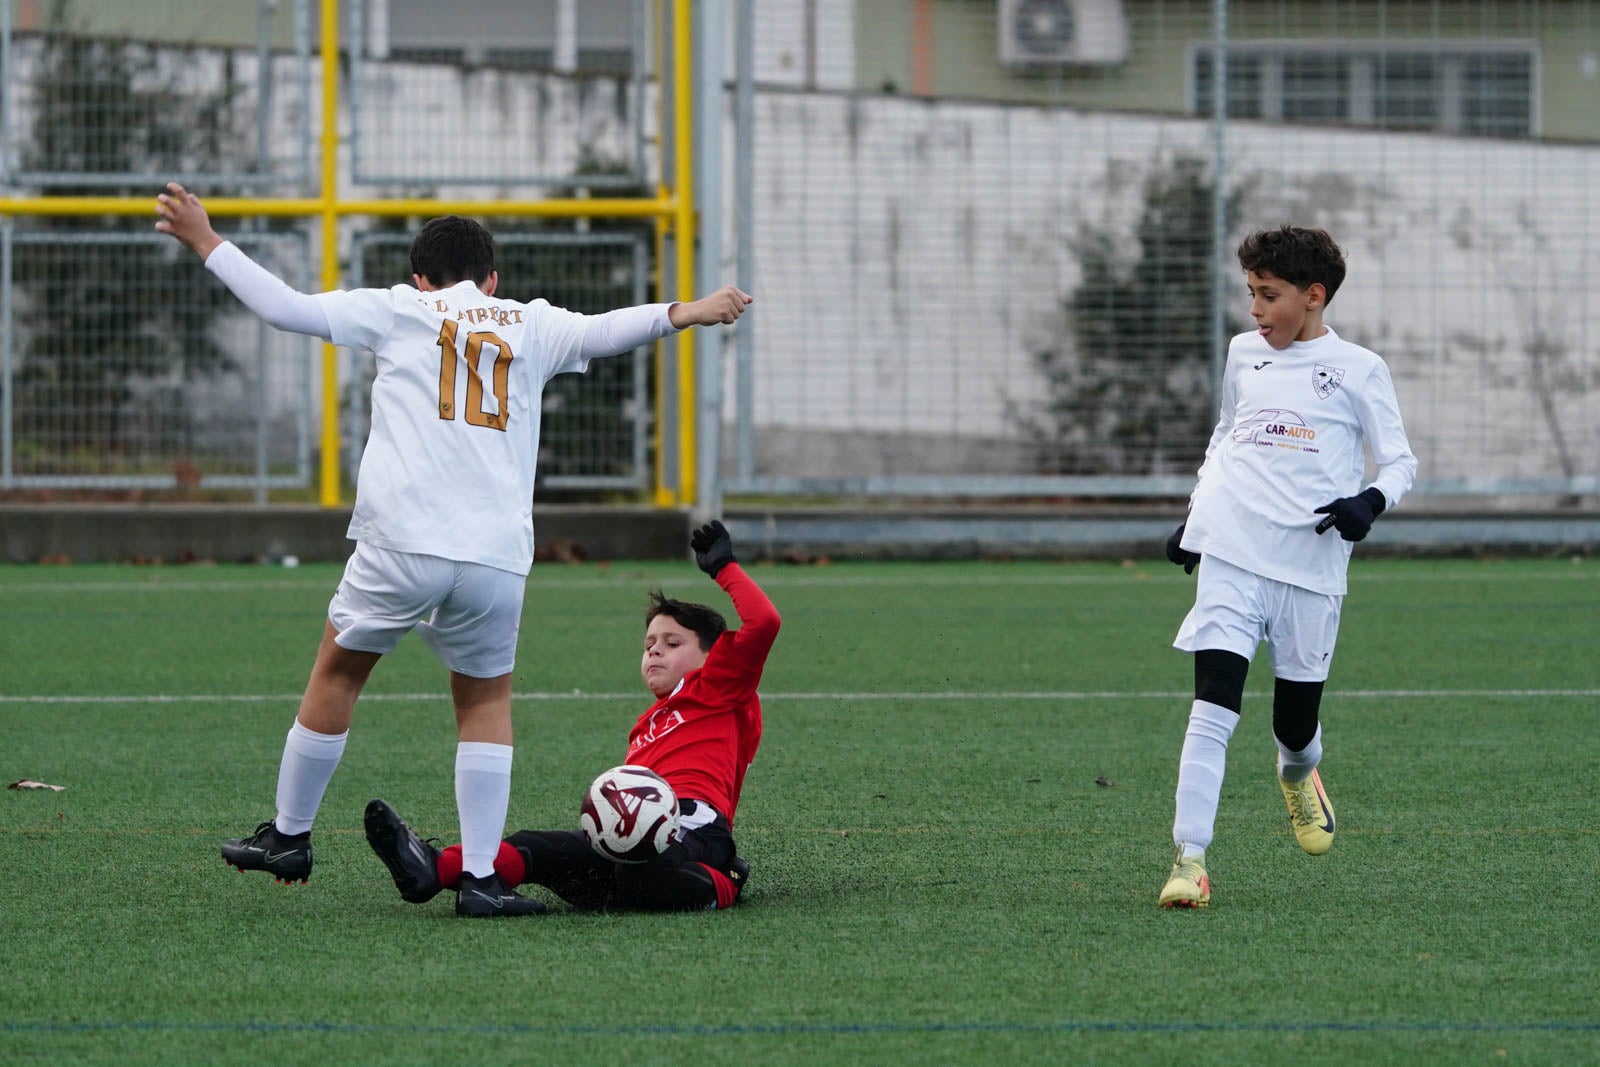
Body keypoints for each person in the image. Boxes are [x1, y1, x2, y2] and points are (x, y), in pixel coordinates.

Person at [154, 182, 753, 917]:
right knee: (484, 700)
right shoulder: (529, 323)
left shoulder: (401, 309)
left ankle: (289, 833)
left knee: (337, 670)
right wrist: (687, 312)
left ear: (420, 278)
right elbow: (608, 330)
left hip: (403, 539)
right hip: (497, 554)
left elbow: (286, 308)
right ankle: (479, 878)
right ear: (492, 278)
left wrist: (206, 239)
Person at [1158, 225, 1417, 909]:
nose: (1255, 310)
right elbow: (1226, 437)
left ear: (1313, 296)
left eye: (1268, 296)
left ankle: (1299, 771)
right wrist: (1196, 513)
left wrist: (1371, 499)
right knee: (1212, 706)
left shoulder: (1359, 368)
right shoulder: (1244, 354)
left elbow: (1401, 461)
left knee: (1293, 725)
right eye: (1251, 293)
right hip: (1233, 551)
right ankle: (1190, 858)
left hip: (1310, 570)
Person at [363, 519, 780, 914]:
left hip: (691, 826)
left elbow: (764, 622)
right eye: (649, 642)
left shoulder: (719, 686)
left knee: (654, 870)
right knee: (534, 846)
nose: (654, 650)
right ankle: (434, 869)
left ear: (713, 655)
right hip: (627, 840)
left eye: (672, 642)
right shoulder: (646, 725)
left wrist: (725, 568)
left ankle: (725, 879)